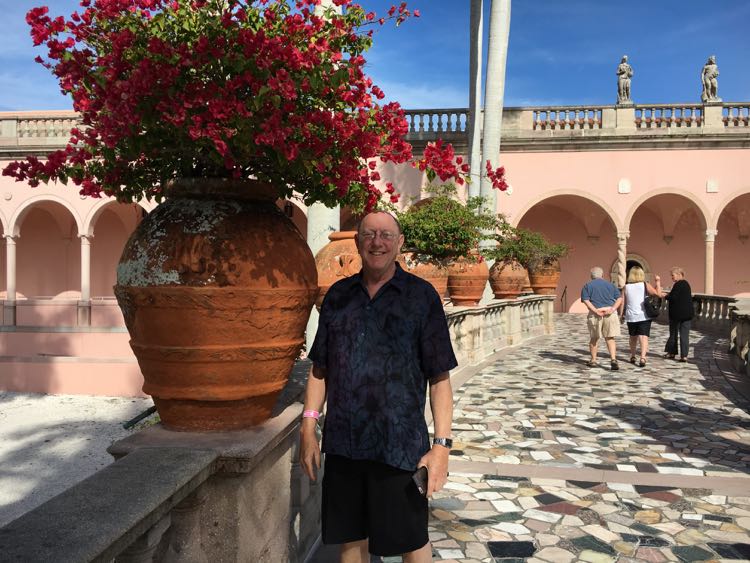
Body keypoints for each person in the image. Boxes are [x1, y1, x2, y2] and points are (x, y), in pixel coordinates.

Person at [299, 211, 457, 563]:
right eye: (369, 234)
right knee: (349, 541)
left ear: (399, 243)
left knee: (412, 541)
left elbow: (439, 377)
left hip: (400, 448)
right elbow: (320, 368)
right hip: (343, 445)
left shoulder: (422, 297)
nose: (377, 241)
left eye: (386, 234)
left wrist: (441, 446)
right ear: (357, 242)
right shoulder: (338, 297)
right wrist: (309, 425)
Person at [581, 266, 623, 370]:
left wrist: (595, 311)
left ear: (591, 276)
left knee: (594, 338)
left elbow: (586, 300)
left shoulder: (587, 285)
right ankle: (613, 359)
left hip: (596, 314)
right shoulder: (611, 285)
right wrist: (613, 309)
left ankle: (594, 360)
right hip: (609, 312)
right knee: (610, 338)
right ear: (603, 275)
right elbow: (619, 298)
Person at [619, 266, 662, 367]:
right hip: (643, 315)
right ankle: (643, 357)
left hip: (631, 316)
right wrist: (658, 282)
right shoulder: (645, 285)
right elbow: (658, 294)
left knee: (633, 337)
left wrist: (621, 315)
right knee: (643, 336)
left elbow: (623, 303)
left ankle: (633, 355)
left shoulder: (626, 287)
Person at [661, 266, 693, 362]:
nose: (672, 277)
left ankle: (671, 353)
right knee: (684, 335)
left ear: (679, 274)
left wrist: (665, 296)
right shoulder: (687, 284)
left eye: (673, 275)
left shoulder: (678, 284)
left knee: (674, 334)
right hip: (687, 315)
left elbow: (673, 297)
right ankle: (684, 356)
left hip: (677, 315)